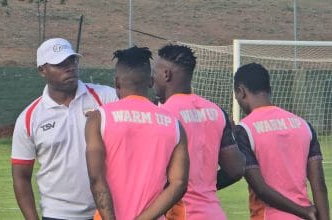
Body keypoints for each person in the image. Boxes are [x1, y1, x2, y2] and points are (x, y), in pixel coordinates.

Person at [11, 38, 118, 220]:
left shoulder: (107, 98)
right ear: (42, 70)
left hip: (106, 213)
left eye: (72, 61)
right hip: (56, 215)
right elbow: (21, 177)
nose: (69, 67)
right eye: (60, 64)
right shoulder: (29, 117)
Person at [85, 46, 190, 220]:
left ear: (116, 82)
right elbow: (179, 183)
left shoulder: (99, 118)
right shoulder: (174, 124)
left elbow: (96, 178)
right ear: (150, 81)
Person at [151, 44, 245, 220]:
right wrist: (202, 189)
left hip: (182, 214)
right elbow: (236, 169)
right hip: (214, 213)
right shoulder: (216, 111)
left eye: (154, 73)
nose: (152, 79)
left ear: (166, 74)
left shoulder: (162, 115)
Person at [233, 63, 330, 220]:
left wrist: (302, 211)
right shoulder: (304, 125)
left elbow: (261, 189)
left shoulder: (244, 130)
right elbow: (319, 183)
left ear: (241, 91)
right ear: (269, 89)